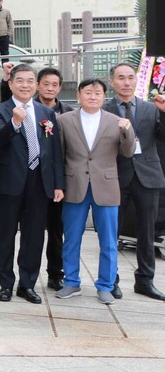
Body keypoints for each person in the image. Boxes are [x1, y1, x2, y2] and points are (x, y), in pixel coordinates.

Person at [0, 63, 64, 304]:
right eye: (20, 80)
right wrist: (15, 122)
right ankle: (6, 284)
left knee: (34, 235)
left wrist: (58, 184)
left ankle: (27, 284)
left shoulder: (46, 113)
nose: (25, 85)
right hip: (11, 181)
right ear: (10, 84)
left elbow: (54, 150)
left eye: (30, 81)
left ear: (36, 85)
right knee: (6, 234)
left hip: (40, 181)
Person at [55, 78, 135, 304]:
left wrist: (128, 131)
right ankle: (71, 282)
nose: (92, 96)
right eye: (88, 92)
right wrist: (58, 185)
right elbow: (58, 156)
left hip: (106, 187)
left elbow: (128, 152)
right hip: (75, 186)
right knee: (71, 238)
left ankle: (106, 285)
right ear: (79, 95)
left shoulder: (116, 121)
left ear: (104, 96)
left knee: (108, 241)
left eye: (97, 93)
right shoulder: (64, 120)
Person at [105, 63, 165, 301]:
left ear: (136, 80)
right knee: (112, 230)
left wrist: (164, 113)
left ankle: (145, 281)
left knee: (147, 232)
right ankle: (111, 280)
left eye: (130, 77)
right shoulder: (104, 109)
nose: (126, 82)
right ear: (112, 82)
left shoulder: (151, 108)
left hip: (147, 176)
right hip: (116, 176)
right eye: (121, 78)